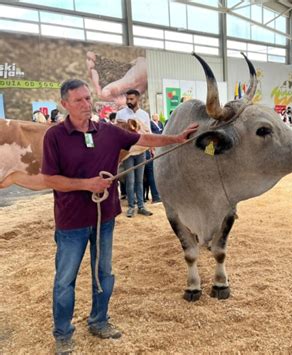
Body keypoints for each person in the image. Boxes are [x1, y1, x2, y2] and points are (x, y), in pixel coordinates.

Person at [41, 79, 198, 354]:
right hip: (71, 222)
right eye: (78, 100)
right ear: (64, 104)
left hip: (105, 219)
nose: (86, 104)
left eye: (88, 98)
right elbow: (50, 179)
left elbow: (145, 139)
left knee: (104, 273)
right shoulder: (54, 136)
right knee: (65, 279)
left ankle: (99, 321)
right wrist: (86, 185)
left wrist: (177, 138)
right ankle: (63, 333)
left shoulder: (108, 131)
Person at [116, 89, 153, 218]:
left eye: (131, 99)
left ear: (137, 99)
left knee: (140, 180)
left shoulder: (144, 115)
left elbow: (148, 133)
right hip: (128, 152)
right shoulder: (120, 114)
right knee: (130, 181)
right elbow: (117, 133)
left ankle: (141, 206)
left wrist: (151, 147)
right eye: (127, 99)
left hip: (141, 151)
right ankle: (131, 206)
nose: (129, 101)